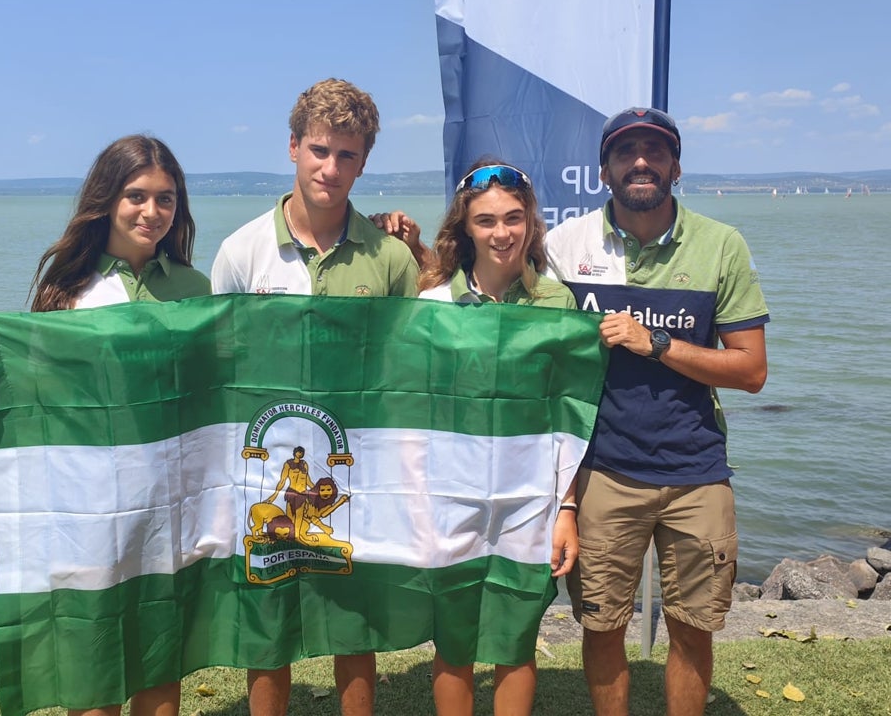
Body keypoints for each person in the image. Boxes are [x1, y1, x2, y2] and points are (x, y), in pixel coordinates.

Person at [0, 134, 210, 716]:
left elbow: (213, 401)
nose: (152, 212)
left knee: (165, 651)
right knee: (94, 652)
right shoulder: (67, 292)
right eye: (137, 195)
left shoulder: (195, 290)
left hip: (170, 502)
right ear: (107, 198)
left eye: (166, 199)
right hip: (88, 504)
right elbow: (38, 406)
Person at [544, 108, 769, 716]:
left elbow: (751, 371)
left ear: (675, 166)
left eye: (654, 150)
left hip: (696, 471)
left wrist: (660, 344)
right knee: (602, 624)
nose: (640, 161)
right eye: (626, 152)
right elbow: (495, 294)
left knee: (695, 626)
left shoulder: (721, 245)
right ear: (603, 170)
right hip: (601, 471)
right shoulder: (565, 247)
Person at [211, 78, 418, 716]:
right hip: (265, 469)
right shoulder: (242, 251)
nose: (331, 168)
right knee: (265, 617)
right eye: (320, 151)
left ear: (363, 162)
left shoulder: (391, 257)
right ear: (294, 147)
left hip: (355, 465)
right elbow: (221, 371)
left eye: (347, 156)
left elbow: (410, 369)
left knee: (353, 618)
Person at [416, 159, 579, 716]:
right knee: (455, 640)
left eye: (514, 218)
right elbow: (413, 411)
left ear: (531, 222)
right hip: (449, 496)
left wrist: (568, 507)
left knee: (516, 638)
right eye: (486, 221)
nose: (502, 233)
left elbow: (571, 417)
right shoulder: (432, 304)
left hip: (530, 498)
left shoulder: (558, 303)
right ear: (465, 227)